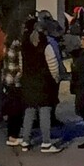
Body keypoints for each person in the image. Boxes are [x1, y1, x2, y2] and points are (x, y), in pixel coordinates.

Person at [20, 18, 63, 153]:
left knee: (29, 112)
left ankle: (25, 141)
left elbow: (21, 65)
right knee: (44, 112)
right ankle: (46, 143)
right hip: (44, 83)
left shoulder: (25, 45)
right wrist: (56, 78)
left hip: (28, 82)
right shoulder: (46, 45)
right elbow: (53, 65)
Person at [3, 27, 26, 146]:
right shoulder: (17, 44)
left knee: (12, 109)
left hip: (7, 79)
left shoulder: (7, 42)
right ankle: (13, 136)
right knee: (17, 110)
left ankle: (11, 135)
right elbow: (20, 65)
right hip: (15, 81)